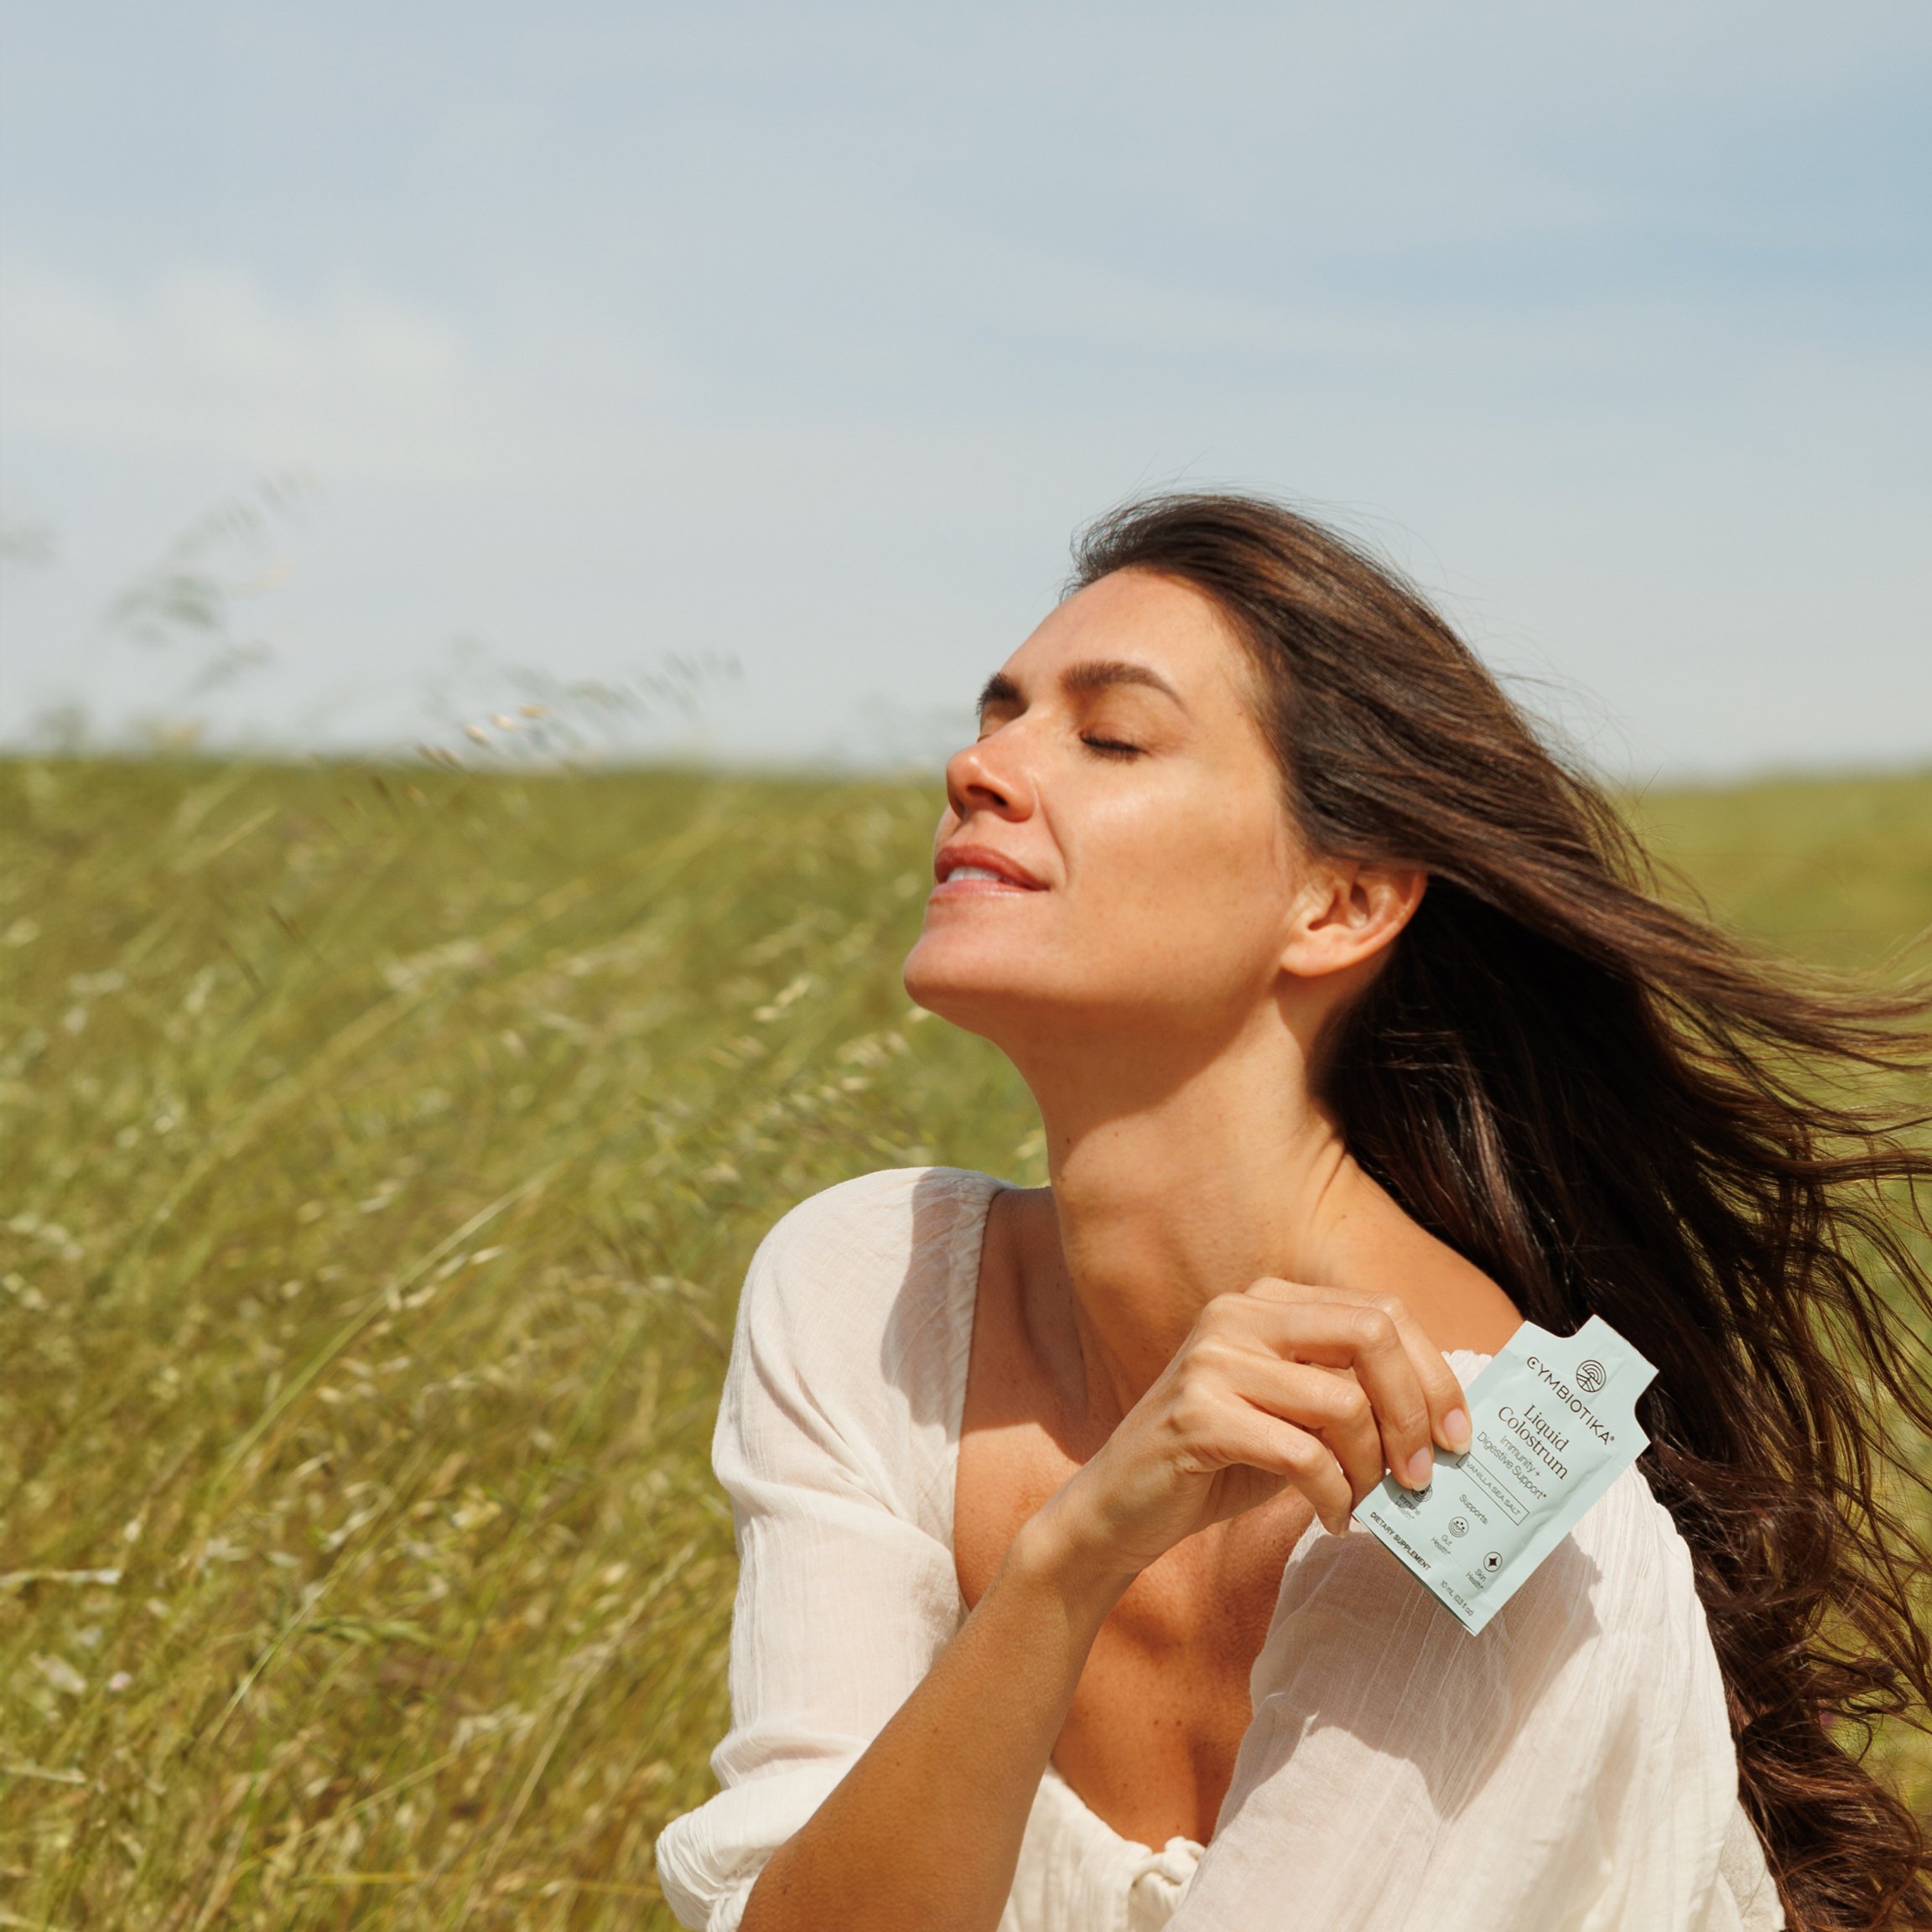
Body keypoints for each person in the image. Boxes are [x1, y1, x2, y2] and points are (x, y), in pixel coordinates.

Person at [657, 495, 1932, 1931]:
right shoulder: (866, 1288)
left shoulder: (1490, 1480)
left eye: (1110, 736)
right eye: (997, 718)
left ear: (1340, 902)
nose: (979, 767)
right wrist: (1064, 1567)